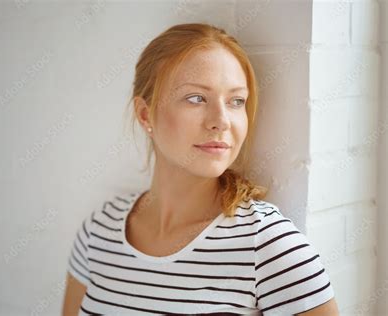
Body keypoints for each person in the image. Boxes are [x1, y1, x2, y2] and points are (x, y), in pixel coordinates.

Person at [62, 23, 339, 315]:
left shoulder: (270, 245)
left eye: (236, 101)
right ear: (146, 114)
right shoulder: (98, 233)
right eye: (196, 98)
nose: (221, 120)